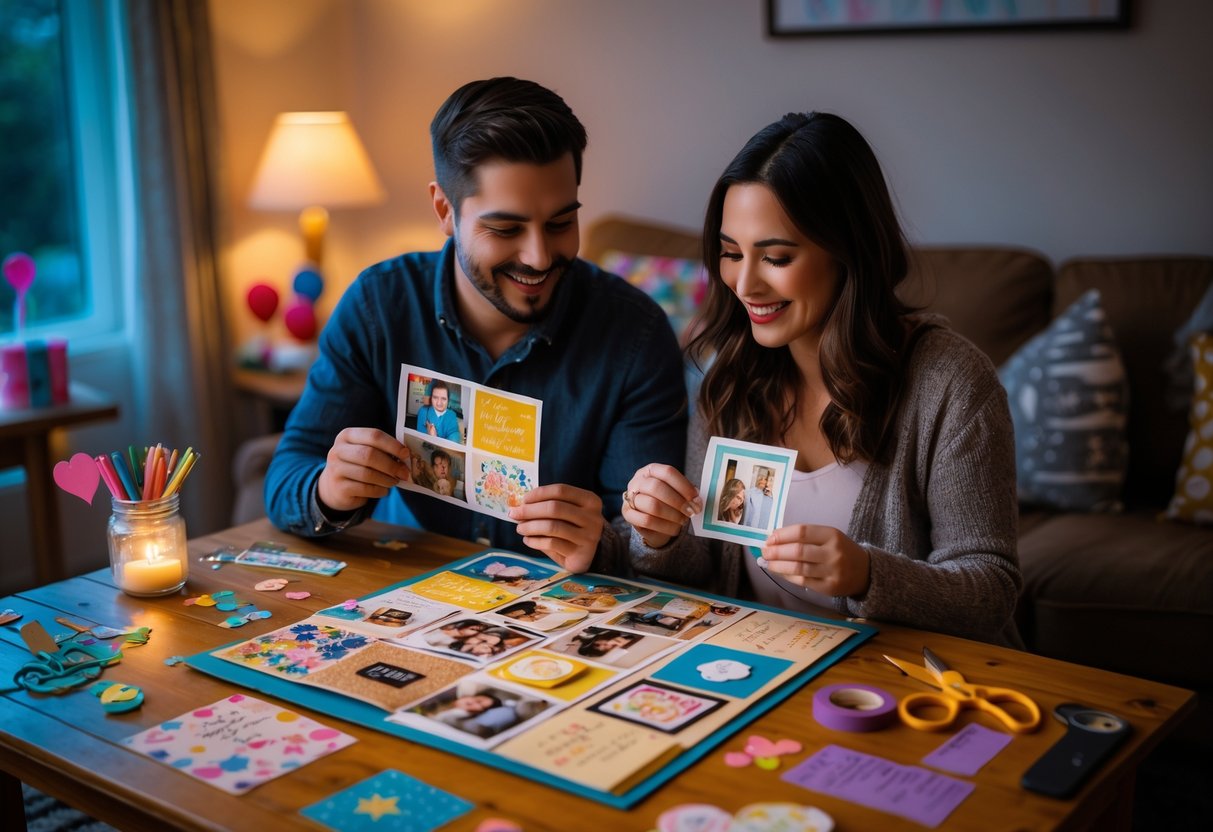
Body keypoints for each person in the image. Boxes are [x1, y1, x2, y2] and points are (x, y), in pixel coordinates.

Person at [619, 112, 1022, 647]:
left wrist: (868, 575)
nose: (744, 284)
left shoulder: (950, 383)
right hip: (770, 671)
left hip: (912, 685)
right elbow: (709, 564)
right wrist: (661, 534)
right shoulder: (730, 375)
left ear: (848, 250)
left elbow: (991, 590)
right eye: (731, 253)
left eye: (777, 257)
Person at [264, 77, 686, 573]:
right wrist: (329, 489)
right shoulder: (379, 306)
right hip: (406, 592)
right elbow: (286, 478)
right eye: (505, 229)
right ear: (445, 210)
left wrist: (605, 543)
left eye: (559, 223)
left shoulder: (635, 334)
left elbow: (648, 542)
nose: (539, 256)